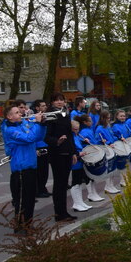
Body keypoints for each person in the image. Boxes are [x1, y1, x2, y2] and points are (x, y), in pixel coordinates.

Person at [2, 105, 47, 233]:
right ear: (9, 116)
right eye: (16, 112)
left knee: (30, 198)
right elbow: (29, 138)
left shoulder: (23, 124)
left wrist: (42, 125)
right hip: (21, 169)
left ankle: (28, 224)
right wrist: (37, 123)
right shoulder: (10, 130)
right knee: (22, 200)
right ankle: (21, 227)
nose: (20, 114)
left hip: (31, 166)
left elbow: (38, 137)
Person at [43, 92, 78, 223]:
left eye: (61, 100)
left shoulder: (65, 114)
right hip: (57, 154)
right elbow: (47, 136)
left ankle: (63, 212)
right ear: (52, 102)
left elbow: (70, 135)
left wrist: (74, 152)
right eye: (56, 100)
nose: (59, 102)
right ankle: (59, 213)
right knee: (59, 184)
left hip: (67, 152)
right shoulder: (51, 116)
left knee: (64, 184)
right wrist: (57, 141)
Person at [77, 114, 106, 203]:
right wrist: (84, 141)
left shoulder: (88, 130)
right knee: (88, 176)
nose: (92, 122)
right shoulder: (84, 132)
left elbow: (93, 141)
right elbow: (82, 143)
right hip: (87, 155)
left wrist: (100, 141)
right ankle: (91, 194)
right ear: (85, 122)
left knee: (91, 176)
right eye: (90, 121)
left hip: (91, 153)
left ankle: (94, 193)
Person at [69, 119, 92, 212]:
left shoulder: (76, 136)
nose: (76, 131)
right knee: (75, 182)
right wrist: (79, 154)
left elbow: (79, 144)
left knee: (79, 182)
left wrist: (84, 142)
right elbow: (72, 149)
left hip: (80, 162)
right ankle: (76, 203)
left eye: (78, 129)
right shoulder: (70, 137)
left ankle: (80, 202)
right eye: (74, 129)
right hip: (75, 162)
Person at [31, 99, 52, 198]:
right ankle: (38, 190)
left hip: (46, 145)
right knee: (40, 170)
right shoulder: (33, 118)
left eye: (45, 105)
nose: (45, 107)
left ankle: (43, 188)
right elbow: (33, 134)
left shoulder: (45, 117)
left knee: (45, 170)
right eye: (42, 106)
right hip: (39, 146)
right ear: (37, 108)